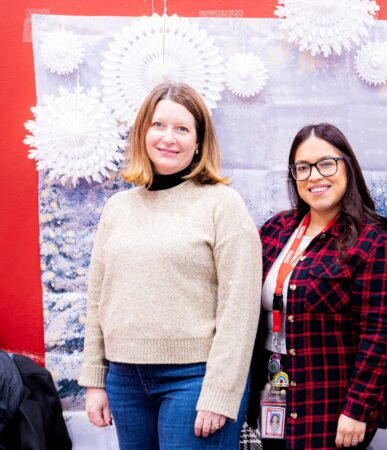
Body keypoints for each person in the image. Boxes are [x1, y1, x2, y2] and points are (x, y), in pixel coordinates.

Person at [78, 82, 262, 449]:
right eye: (158, 125)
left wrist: (221, 391)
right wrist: (95, 380)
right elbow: (98, 298)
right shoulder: (117, 208)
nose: (168, 138)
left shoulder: (223, 205)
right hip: (124, 381)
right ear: (142, 133)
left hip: (194, 379)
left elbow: (240, 308)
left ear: (198, 142)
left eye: (182, 129)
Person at [246, 123, 387, 450]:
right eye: (303, 168)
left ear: (348, 167)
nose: (314, 176)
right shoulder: (275, 230)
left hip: (331, 404)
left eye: (326, 164)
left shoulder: (372, 242)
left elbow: (380, 335)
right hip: (273, 392)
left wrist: (357, 409)